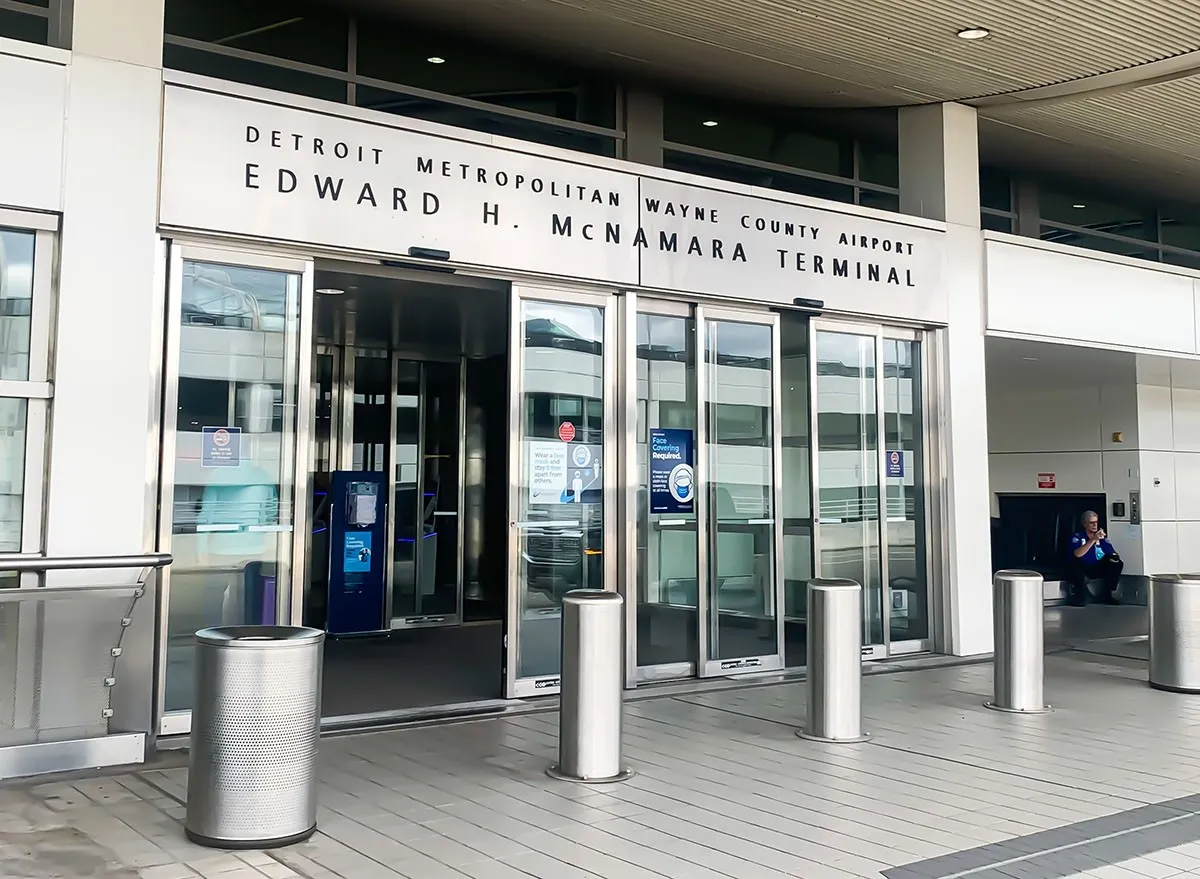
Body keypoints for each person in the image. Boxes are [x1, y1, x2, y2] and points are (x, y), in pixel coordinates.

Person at [1067, 511, 1122, 607]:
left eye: (1096, 522)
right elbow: (1077, 554)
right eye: (1092, 523)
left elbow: (1111, 552)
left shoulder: (1101, 538)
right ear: (1085, 524)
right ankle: (1079, 596)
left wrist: (1114, 557)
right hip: (1082, 566)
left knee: (1116, 563)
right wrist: (1092, 540)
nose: (1095, 525)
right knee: (1075, 563)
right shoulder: (1078, 537)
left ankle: (1108, 594)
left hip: (1096, 566)